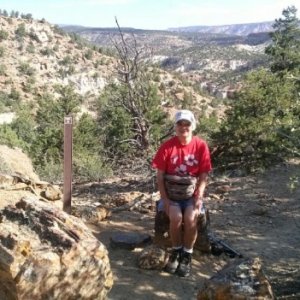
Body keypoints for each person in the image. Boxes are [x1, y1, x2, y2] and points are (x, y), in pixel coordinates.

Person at [152, 109, 212, 277]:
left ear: (192, 126)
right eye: (180, 124)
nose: (183, 127)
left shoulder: (200, 145)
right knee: (176, 217)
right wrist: (165, 199)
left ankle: (187, 254)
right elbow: (160, 176)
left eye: (187, 124)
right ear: (175, 126)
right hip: (171, 194)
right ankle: (176, 251)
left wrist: (199, 196)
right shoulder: (167, 146)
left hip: (191, 194)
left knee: (191, 218)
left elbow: (203, 174)